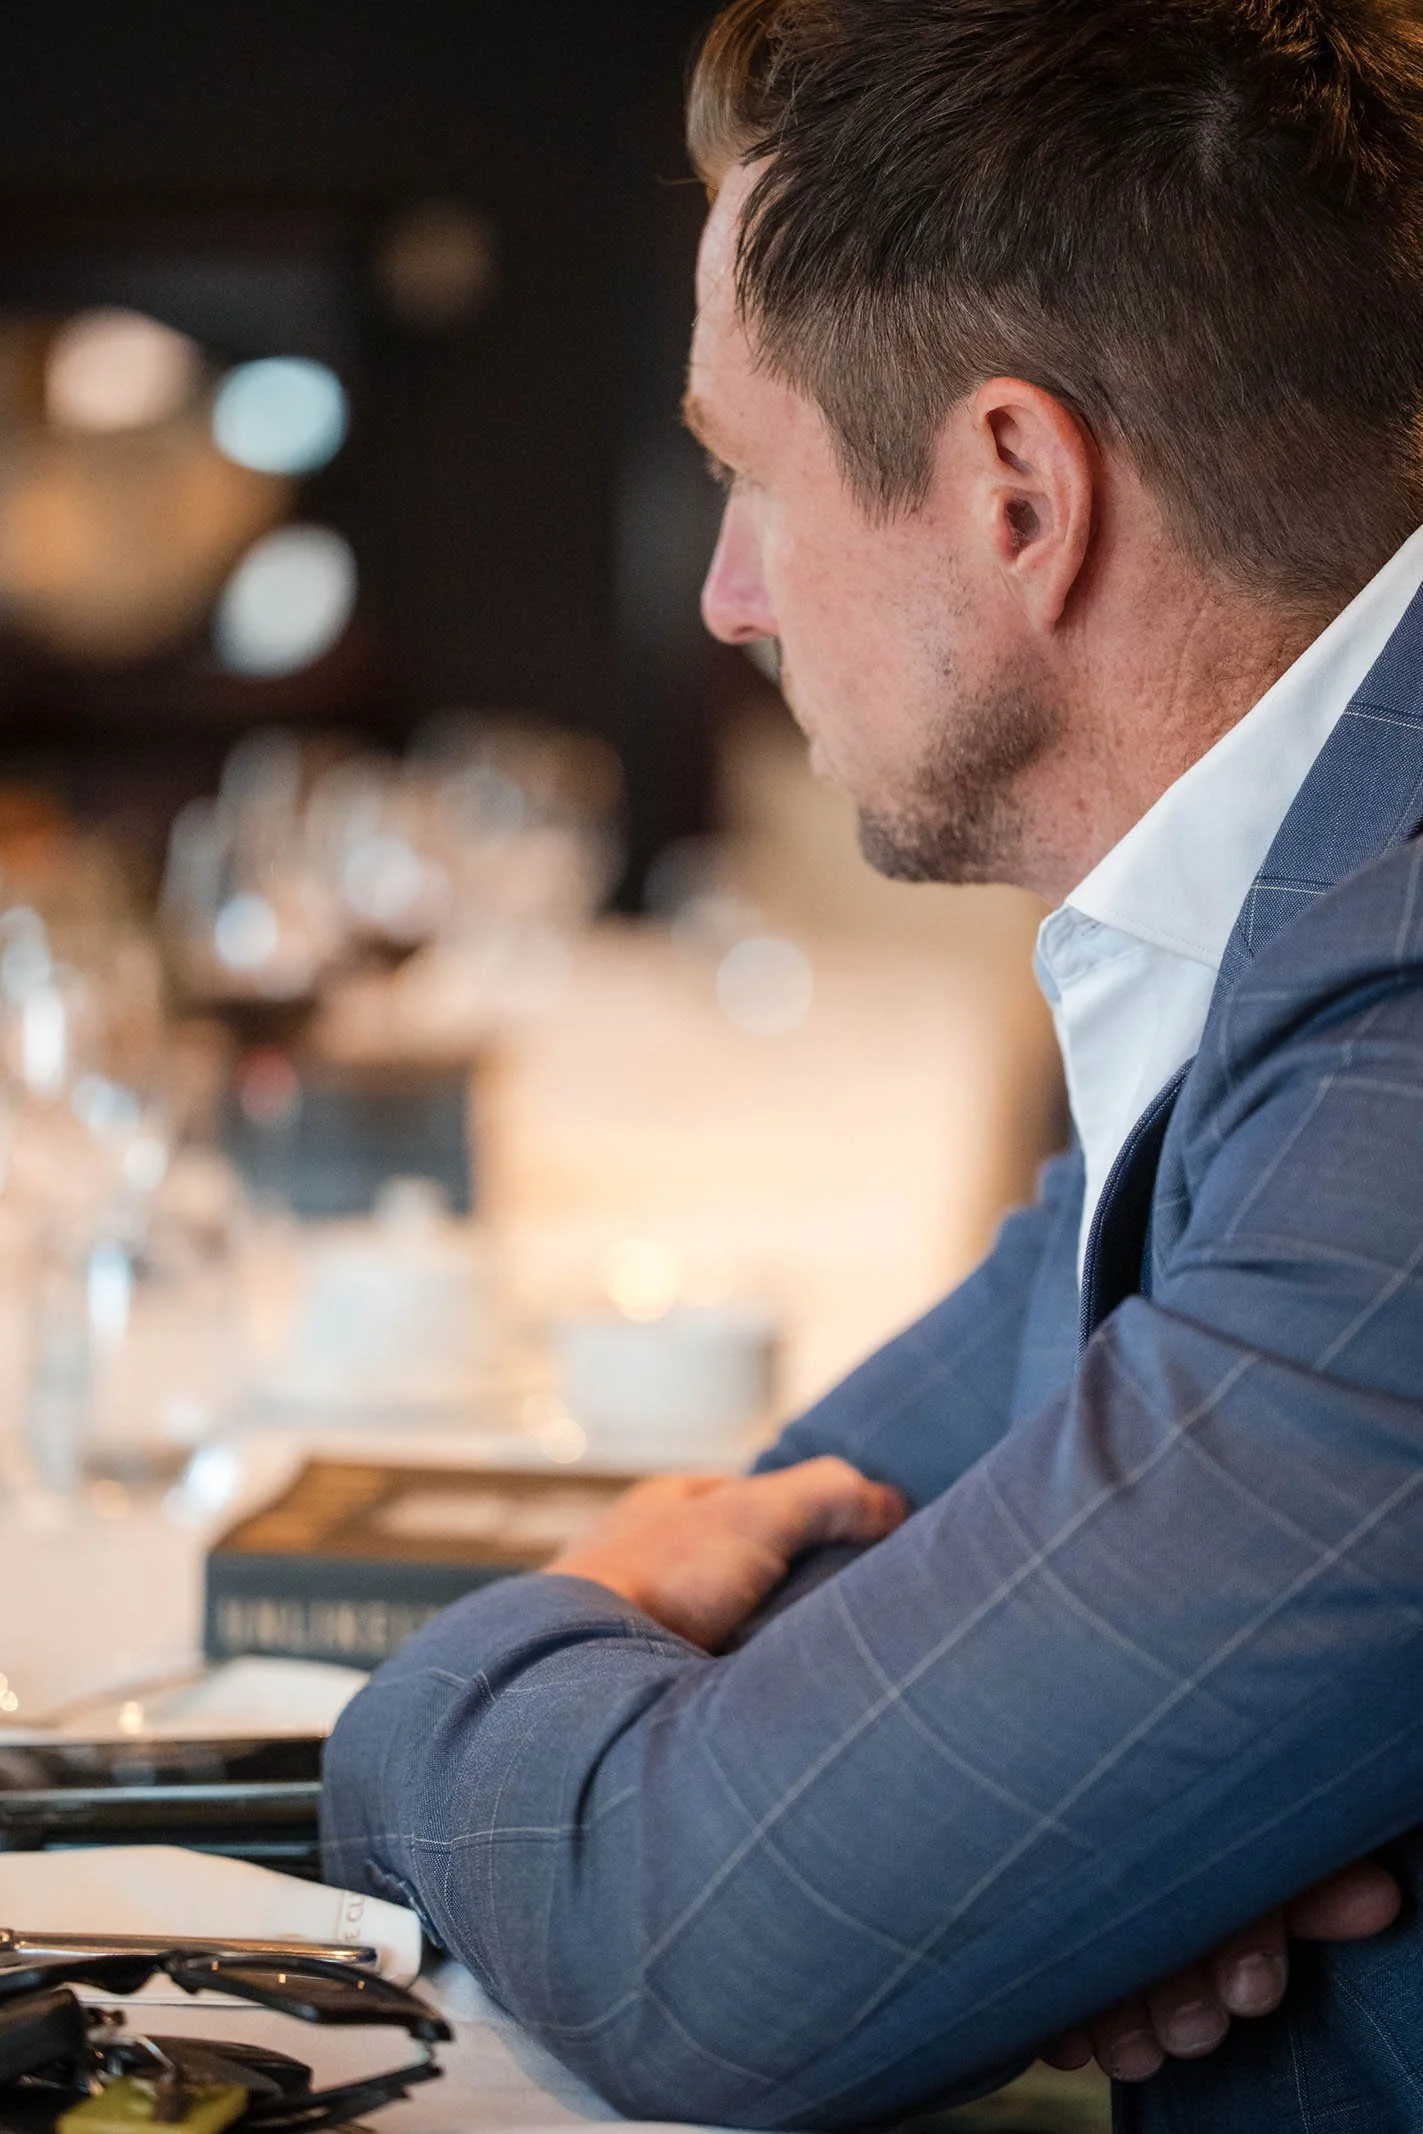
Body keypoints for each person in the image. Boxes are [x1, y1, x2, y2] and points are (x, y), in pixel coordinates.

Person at [321, 1, 1423, 2126]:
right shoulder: (1278, 919)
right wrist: (1036, 1835)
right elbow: (855, 1566)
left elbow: (691, 1935)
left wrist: (480, 1655)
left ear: (1017, 490)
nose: (731, 592)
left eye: (750, 468)